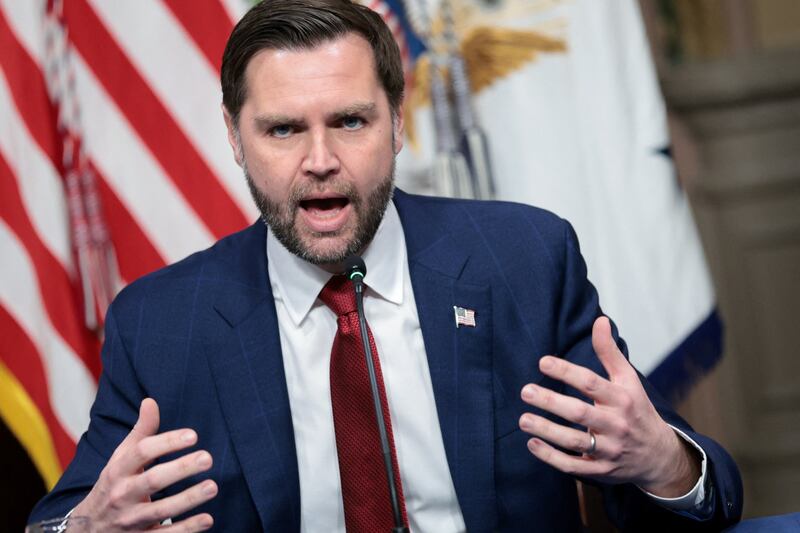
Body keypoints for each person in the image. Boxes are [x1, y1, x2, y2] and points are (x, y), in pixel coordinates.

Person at [29, 0, 743, 531]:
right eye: (282, 129)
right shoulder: (160, 323)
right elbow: (69, 514)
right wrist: (87, 528)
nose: (319, 160)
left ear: (398, 121)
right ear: (235, 139)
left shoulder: (524, 261)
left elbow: (692, 487)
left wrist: (665, 464)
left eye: (349, 120)